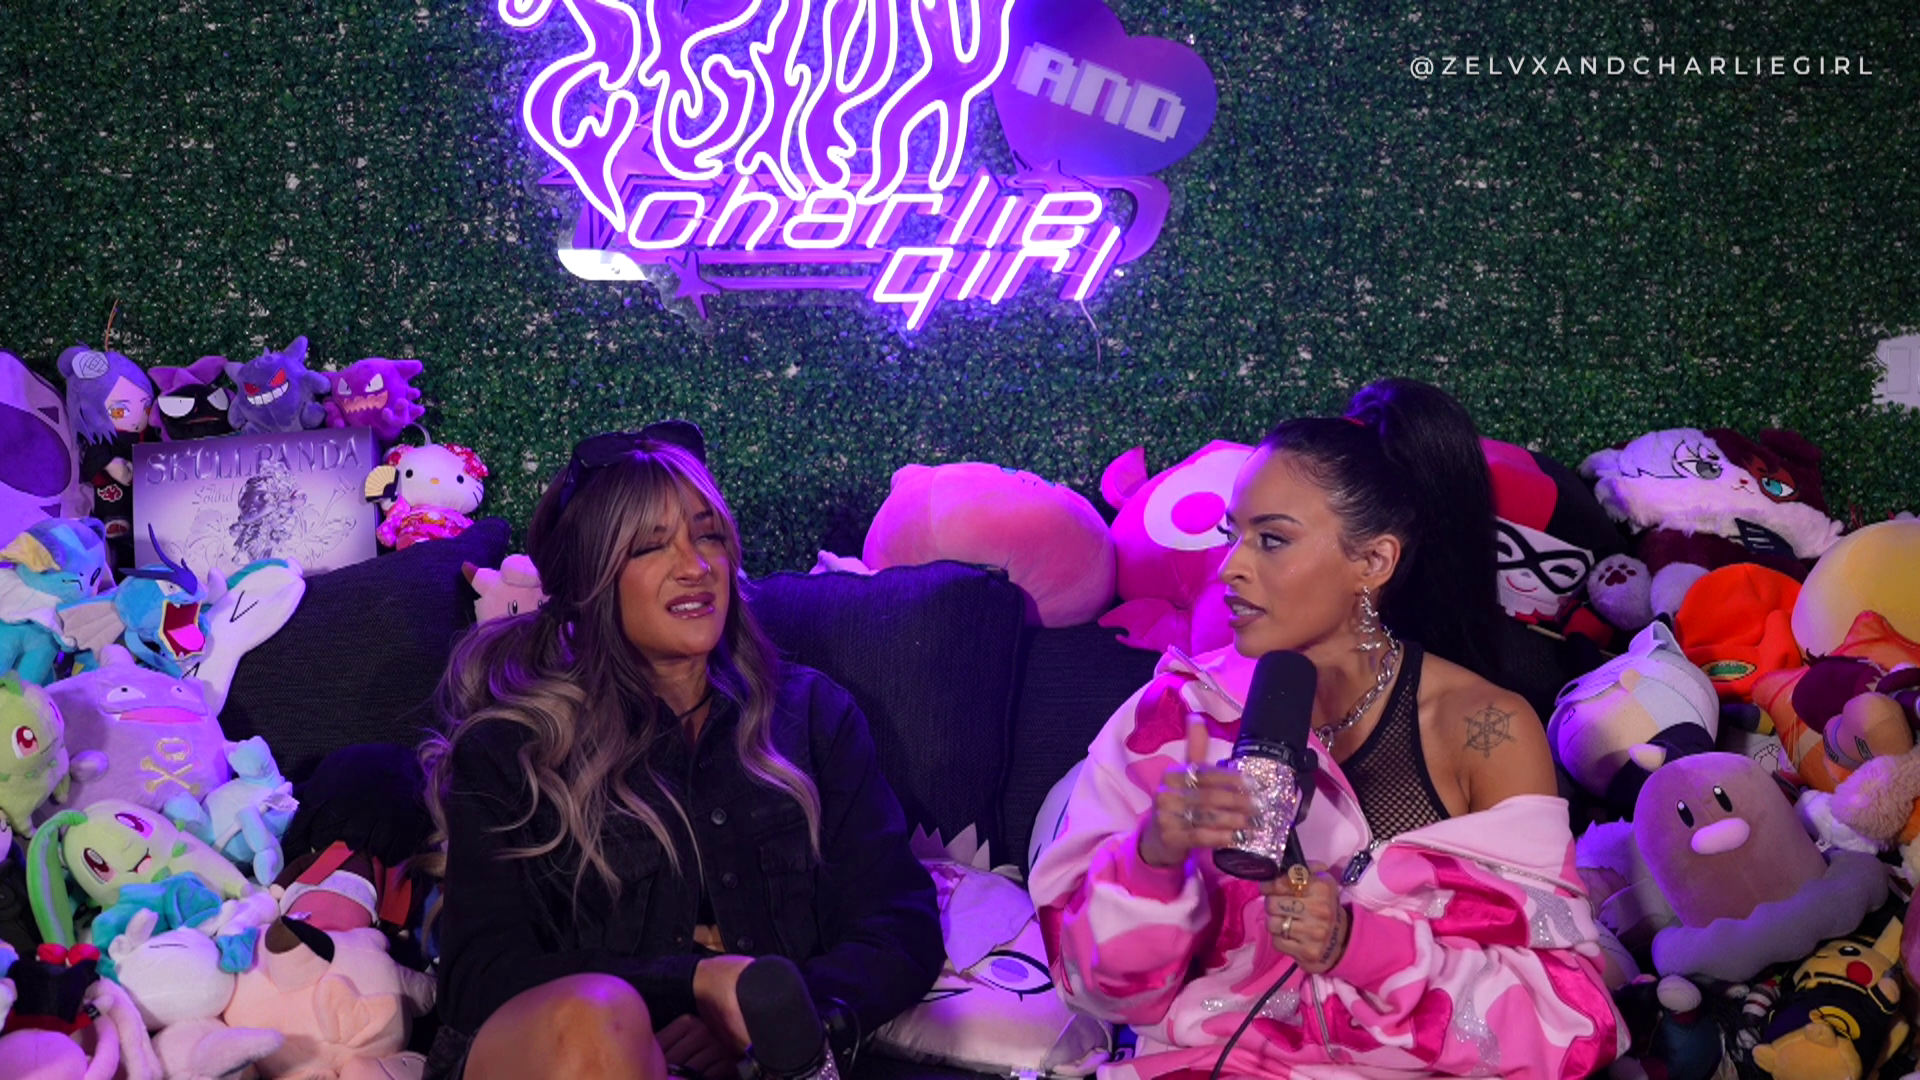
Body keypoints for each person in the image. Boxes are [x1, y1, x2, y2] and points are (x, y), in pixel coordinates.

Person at [1029, 379, 1624, 1079]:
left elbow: (1570, 1026)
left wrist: (1359, 946)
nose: (1230, 567)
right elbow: (1092, 992)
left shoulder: (1484, 727)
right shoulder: (1175, 716)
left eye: (1272, 539)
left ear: (1372, 561)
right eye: (1231, 535)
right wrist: (1151, 861)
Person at [420, 422, 943, 1080]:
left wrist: (768, 1017)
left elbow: (897, 921)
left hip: (764, 1065)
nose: (695, 566)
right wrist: (692, 985)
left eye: (709, 536)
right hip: (553, 1055)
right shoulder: (511, 746)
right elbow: (479, 977)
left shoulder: (812, 717)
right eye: (650, 546)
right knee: (599, 1018)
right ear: (592, 580)